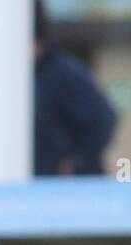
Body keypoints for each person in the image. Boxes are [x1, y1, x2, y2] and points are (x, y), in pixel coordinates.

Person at [34, 0, 117, 177]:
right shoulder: (18, 79)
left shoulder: (63, 73)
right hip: (34, 186)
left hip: (71, 190)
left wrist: (76, 162)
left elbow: (103, 118)